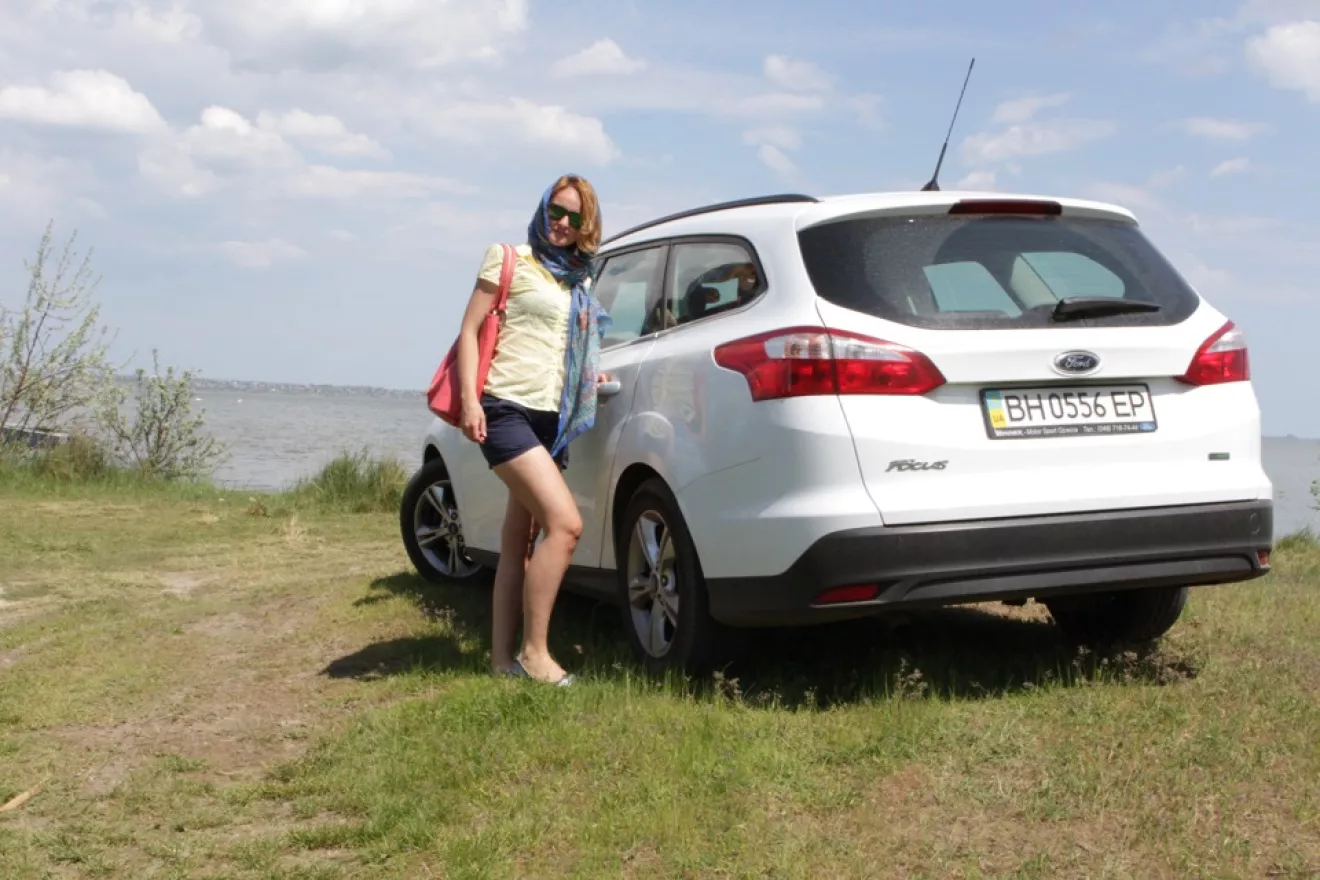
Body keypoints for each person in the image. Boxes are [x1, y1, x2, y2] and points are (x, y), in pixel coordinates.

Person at [455, 174, 612, 686]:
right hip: (506, 409)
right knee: (565, 526)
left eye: (574, 216)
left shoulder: (579, 279)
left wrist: (590, 375)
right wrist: (470, 402)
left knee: (517, 542)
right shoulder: (509, 259)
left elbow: (566, 346)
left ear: (587, 225)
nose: (561, 223)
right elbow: (470, 331)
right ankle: (535, 653)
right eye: (555, 211)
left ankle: (501, 662)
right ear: (543, 209)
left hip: (551, 420)